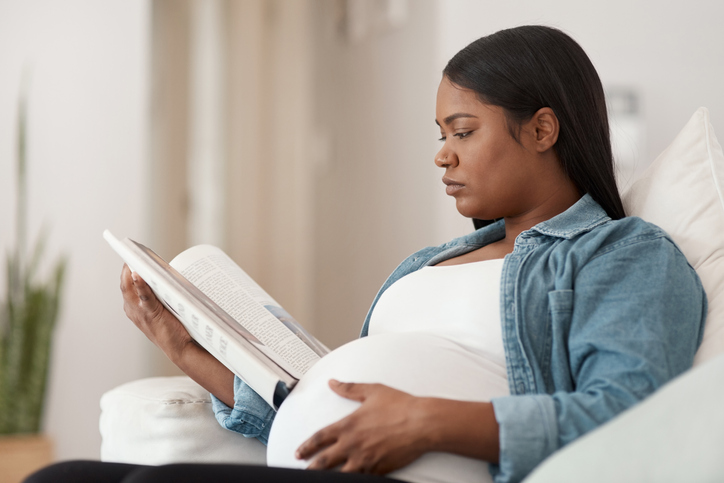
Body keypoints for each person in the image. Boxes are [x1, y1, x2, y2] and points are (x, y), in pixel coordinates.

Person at [26, 25, 706, 483]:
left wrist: (426, 419)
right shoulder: (432, 261)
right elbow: (338, 406)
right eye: (440, 133)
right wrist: (187, 349)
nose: (441, 154)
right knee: (60, 477)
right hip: (326, 464)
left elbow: (630, 412)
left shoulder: (622, 252)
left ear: (542, 129)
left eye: (463, 131)